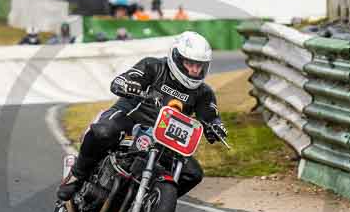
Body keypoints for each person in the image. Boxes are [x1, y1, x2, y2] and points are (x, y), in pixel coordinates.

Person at [57, 31, 227, 201]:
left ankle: (151, 205)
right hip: (130, 118)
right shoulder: (153, 66)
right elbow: (128, 77)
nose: (195, 70)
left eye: (200, 65)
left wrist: (215, 126)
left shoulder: (204, 92)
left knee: (193, 174)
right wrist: (127, 84)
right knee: (103, 132)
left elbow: (210, 115)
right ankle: (76, 175)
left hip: (164, 137)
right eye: (190, 63)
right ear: (176, 57)